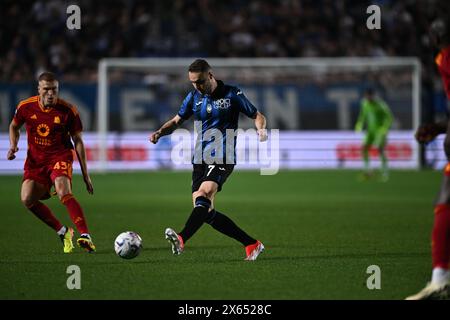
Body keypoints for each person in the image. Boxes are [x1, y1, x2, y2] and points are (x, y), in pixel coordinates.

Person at [149, 59, 267, 260]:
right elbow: (177, 121)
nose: (197, 86)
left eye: (200, 81)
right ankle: (251, 243)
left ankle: (181, 237)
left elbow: (257, 115)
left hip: (223, 154)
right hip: (199, 158)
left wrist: (261, 129)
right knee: (204, 210)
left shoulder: (232, 94)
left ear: (210, 76)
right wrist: (160, 132)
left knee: (204, 193)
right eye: (193, 82)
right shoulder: (193, 97)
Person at [7, 72, 96, 253]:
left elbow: (78, 141)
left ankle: (85, 236)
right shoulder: (26, 107)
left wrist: (86, 175)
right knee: (27, 199)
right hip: (36, 162)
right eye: (46, 89)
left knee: (63, 190)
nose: (50, 94)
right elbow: (14, 126)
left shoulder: (68, 111)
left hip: (60, 157)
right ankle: (63, 232)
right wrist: (13, 145)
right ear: (38, 89)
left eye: (54, 90)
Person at [406, 17, 450, 300]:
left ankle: (440, 278)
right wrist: (439, 127)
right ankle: (440, 277)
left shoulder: (445, 58)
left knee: (445, 203)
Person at [354, 87, 393, 181]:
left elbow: (389, 118)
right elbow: (362, 115)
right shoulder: (364, 104)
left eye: (369, 96)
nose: (368, 98)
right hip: (370, 131)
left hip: (380, 131)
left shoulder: (380, 105)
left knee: (380, 150)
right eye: (366, 96)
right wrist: (359, 124)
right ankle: (367, 170)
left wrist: (384, 128)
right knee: (364, 148)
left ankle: (385, 172)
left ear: (373, 95)